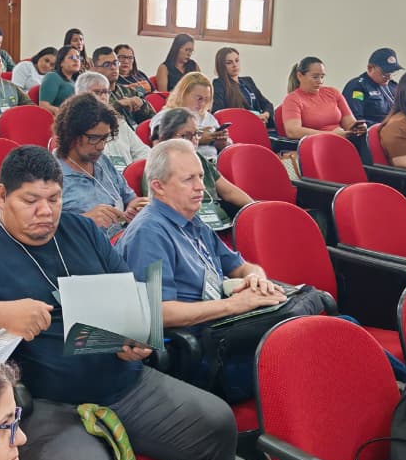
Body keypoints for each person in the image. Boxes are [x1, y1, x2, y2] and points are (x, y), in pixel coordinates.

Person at [0, 145, 236, 460]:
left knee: (216, 424)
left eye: (54, 198)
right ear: (1, 196)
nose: (46, 211)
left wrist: (136, 338)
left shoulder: (81, 230)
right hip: (42, 404)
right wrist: (0, 314)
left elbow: (128, 295)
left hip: (121, 381)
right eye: (31, 200)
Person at [117, 139, 291, 329]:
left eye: (200, 176)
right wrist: (233, 305)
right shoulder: (149, 233)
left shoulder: (192, 220)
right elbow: (158, 312)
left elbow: (240, 267)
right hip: (198, 343)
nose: (200, 186)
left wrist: (256, 277)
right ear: (158, 186)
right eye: (188, 179)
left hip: (223, 324)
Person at [54, 93, 147, 239]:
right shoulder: (50, 173)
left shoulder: (102, 161)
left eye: (105, 138)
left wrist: (133, 208)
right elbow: (41, 231)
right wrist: (84, 221)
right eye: (94, 138)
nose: (101, 146)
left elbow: (129, 198)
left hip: (121, 241)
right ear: (71, 133)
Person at [150, 108, 253, 231]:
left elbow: (229, 192)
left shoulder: (198, 158)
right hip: (188, 228)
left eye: (197, 134)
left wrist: (254, 207)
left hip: (220, 222)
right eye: (186, 135)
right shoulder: (159, 164)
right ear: (166, 136)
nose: (194, 140)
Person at [280, 56, 368, 150]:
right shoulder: (293, 99)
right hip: (316, 147)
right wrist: (331, 135)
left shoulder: (333, 93)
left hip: (342, 141)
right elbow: (293, 131)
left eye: (322, 77)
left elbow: (350, 123)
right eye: (315, 77)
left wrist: (358, 128)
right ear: (300, 76)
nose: (320, 81)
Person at [76, 72, 149, 173]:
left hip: (126, 181)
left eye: (106, 92)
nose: (103, 97)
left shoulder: (119, 122)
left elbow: (143, 152)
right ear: (81, 95)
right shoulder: (75, 125)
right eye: (97, 92)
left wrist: (134, 173)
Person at [163, 73, 227, 162]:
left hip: (214, 164)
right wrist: (198, 138)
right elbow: (164, 145)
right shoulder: (166, 116)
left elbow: (227, 146)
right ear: (183, 94)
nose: (203, 104)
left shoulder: (208, 117)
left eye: (206, 99)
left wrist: (222, 143)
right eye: (199, 98)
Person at [211, 47, 272, 127]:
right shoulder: (218, 84)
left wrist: (265, 115)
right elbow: (219, 112)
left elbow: (267, 104)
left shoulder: (248, 80)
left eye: (237, 60)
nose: (235, 65)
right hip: (238, 127)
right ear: (221, 66)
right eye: (229, 63)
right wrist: (251, 118)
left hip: (259, 124)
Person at [93, 47, 152, 128]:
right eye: (107, 64)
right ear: (95, 69)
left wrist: (142, 104)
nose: (113, 67)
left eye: (115, 63)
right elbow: (94, 121)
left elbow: (154, 119)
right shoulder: (92, 95)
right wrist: (118, 105)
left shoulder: (130, 92)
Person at [342, 48, 403, 126]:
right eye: (384, 73)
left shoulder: (393, 86)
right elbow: (356, 119)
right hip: (373, 132)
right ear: (370, 68)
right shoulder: (358, 87)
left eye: (392, 73)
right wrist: (385, 126)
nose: (389, 77)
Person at [38, 46, 81, 112]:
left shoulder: (75, 81)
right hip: (60, 119)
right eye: (71, 57)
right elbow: (44, 106)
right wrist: (64, 113)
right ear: (61, 62)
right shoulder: (52, 77)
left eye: (78, 57)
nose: (76, 60)